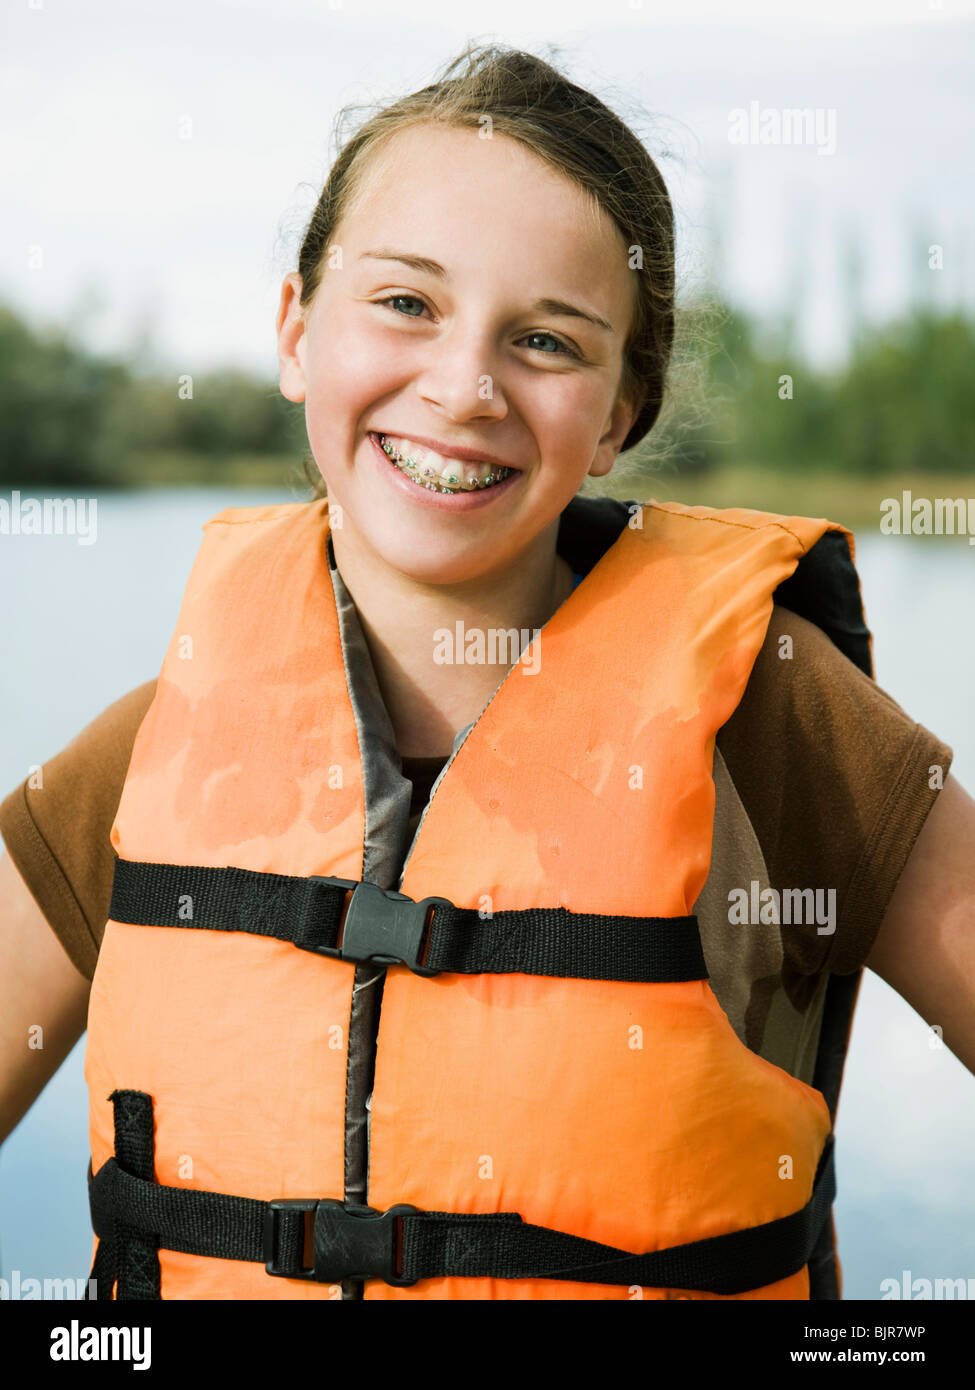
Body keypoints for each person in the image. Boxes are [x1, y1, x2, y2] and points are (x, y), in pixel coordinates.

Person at [1, 41, 973, 1302]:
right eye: (406, 303)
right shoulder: (139, 760)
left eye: (547, 341)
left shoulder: (778, 724)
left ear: (620, 413)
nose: (464, 389)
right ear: (296, 331)